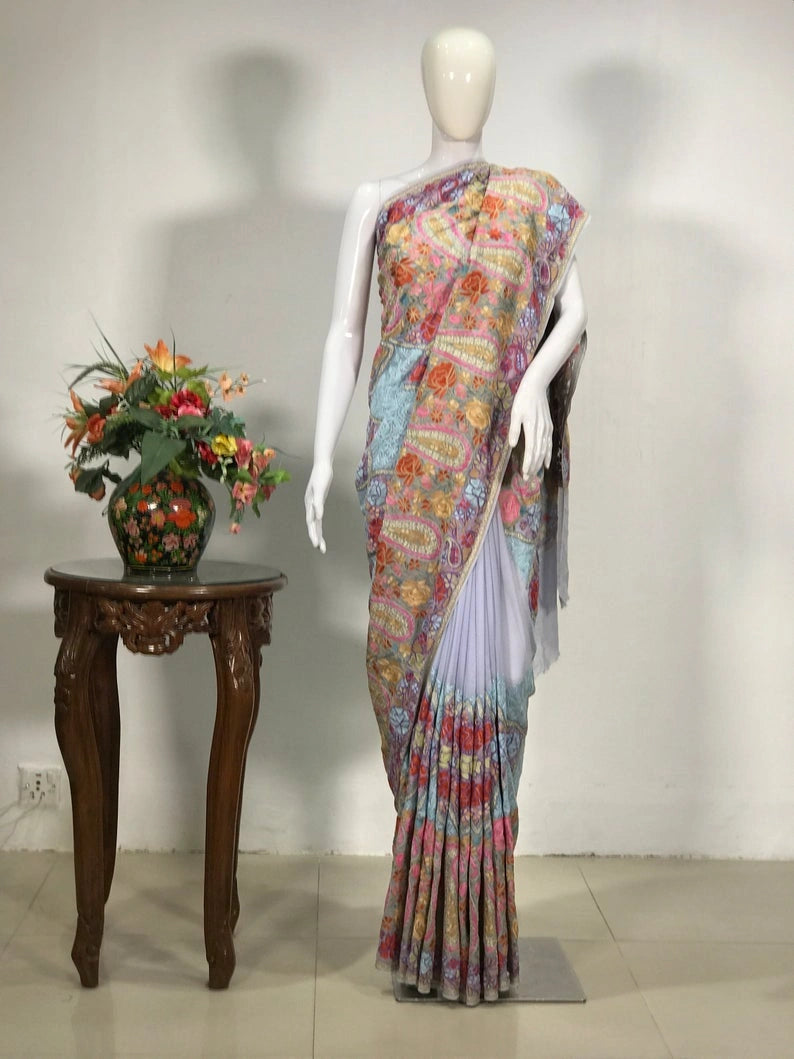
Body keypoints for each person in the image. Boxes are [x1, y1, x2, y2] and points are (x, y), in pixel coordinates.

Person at [306, 26, 590, 1004]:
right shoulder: (378, 200)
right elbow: (345, 333)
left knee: (486, 694)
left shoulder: (528, 203)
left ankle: (471, 938)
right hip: (403, 469)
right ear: (424, 83)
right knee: (410, 682)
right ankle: (432, 933)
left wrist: (529, 387)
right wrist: (319, 455)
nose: (462, 87)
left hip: (490, 469)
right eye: (448, 71)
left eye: (477, 74)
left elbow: (573, 312)